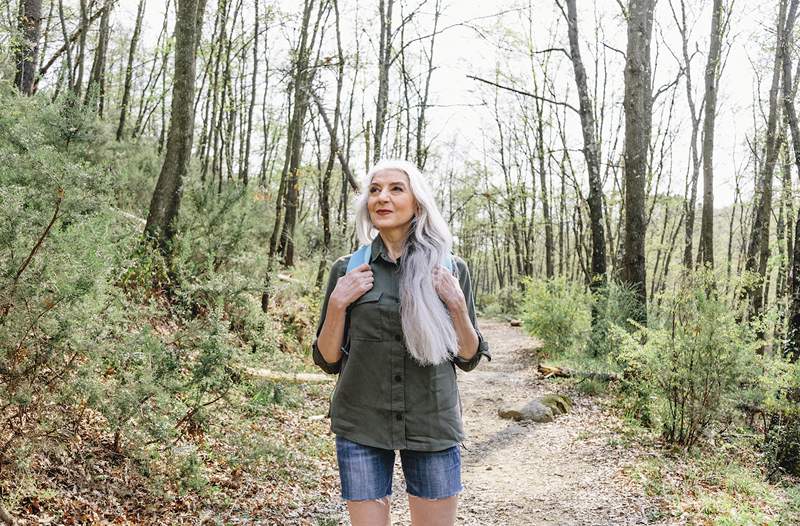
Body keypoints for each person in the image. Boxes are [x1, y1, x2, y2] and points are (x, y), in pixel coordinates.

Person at [311, 159, 491, 526]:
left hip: (432, 422)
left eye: (396, 189)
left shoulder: (450, 269)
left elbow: (468, 357)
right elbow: (328, 359)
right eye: (375, 190)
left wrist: (456, 306)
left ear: (417, 203)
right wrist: (337, 303)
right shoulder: (348, 270)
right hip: (361, 422)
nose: (382, 197)